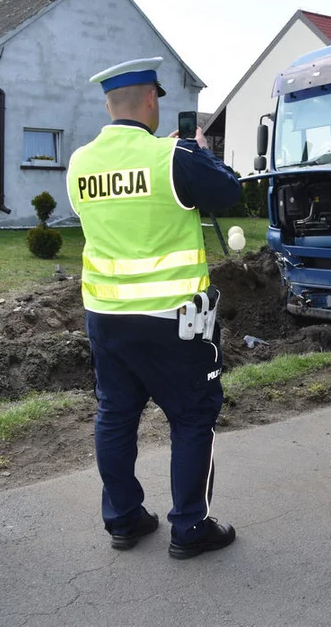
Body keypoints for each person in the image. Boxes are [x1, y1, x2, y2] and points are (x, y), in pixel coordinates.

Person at [67, 56, 241, 559]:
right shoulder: (173, 158)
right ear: (151, 99)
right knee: (192, 417)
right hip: (173, 321)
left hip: (105, 318)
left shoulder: (80, 163)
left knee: (116, 415)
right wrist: (199, 151)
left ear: (108, 103)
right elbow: (228, 192)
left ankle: (123, 519)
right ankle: (190, 527)